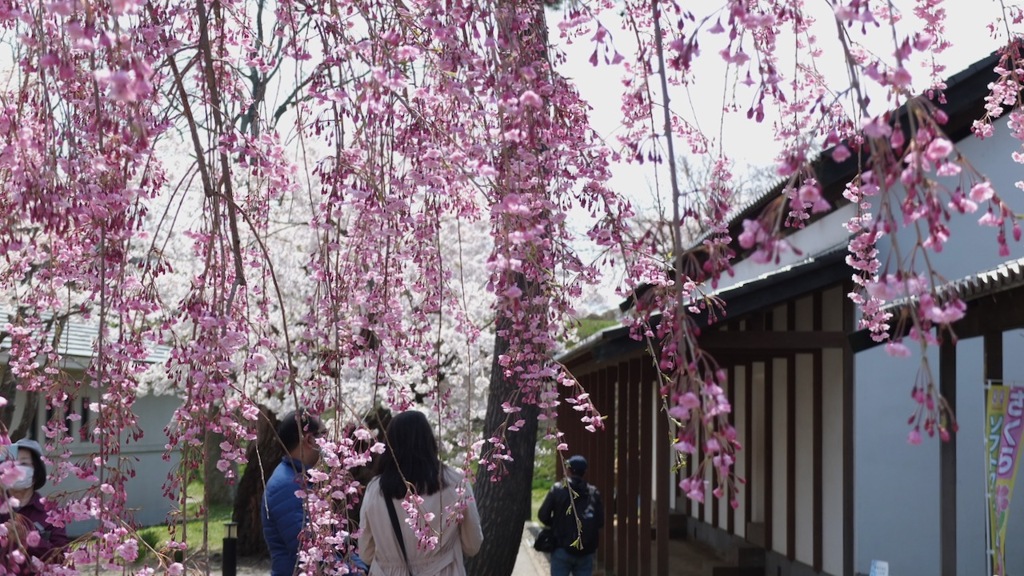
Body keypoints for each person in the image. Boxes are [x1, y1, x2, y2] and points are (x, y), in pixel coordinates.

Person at [359, 410, 483, 576]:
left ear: (390, 445)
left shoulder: (375, 490)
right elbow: (472, 544)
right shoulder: (456, 483)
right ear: (429, 441)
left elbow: (366, 552)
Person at [261, 409, 367, 575]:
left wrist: (359, 568)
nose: (328, 440)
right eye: (324, 434)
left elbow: (334, 542)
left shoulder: (302, 479)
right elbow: (312, 551)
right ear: (309, 439)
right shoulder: (287, 486)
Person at [0, 438, 70, 572]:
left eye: (24, 463)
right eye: (11, 463)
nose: (15, 468)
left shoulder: (50, 513)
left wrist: (27, 539)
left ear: (36, 473)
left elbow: (61, 557)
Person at [538, 454, 604, 576]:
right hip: (585, 550)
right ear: (584, 472)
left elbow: (543, 515)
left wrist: (556, 523)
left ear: (568, 470)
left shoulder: (557, 489)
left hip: (561, 547)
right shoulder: (593, 492)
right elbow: (600, 521)